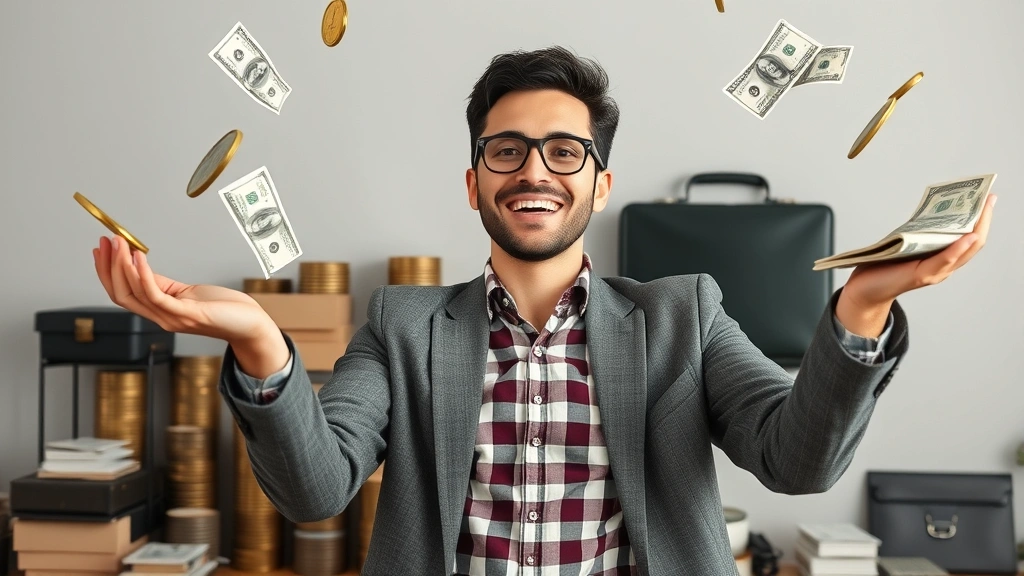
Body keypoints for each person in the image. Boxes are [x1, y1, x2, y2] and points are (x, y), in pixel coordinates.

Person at [92, 46, 996, 575]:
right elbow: (314, 491)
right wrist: (260, 339)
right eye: (507, 150)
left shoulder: (684, 315)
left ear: (600, 185)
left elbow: (796, 462)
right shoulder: (401, 324)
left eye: (565, 152)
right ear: (473, 181)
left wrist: (862, 306)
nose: (534, 170)